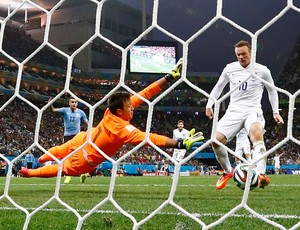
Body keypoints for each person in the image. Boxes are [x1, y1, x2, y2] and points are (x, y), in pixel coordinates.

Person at [20, 58, 204, 179]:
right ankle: (32, 171)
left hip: (84, 138)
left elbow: (145, 94)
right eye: (129, 106)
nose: (132, 107)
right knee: (62, 168)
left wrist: (168, 78)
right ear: (119, 111)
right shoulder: (122, 130)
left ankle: (40, 160)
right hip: (86, 157)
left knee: (60, 150)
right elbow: (150, 139)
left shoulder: (111, 111)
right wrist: (178, 143)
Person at [205, 40, 284, 190]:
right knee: (215, 141)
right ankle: (228, 172)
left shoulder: (262, 70)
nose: (241, 57)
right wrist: (209, 104)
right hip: (233, 111)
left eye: (244, 54)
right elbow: (219, 86)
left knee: (256, 134)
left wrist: (275, 111)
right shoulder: (230, 69)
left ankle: (261, 174)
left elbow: (272, 91)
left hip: (253, 110)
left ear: (251, 53)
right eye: (238, 55)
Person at [49, 96, 89, 183]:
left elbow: (87, 122)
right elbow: (53, 110)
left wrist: (92, 130)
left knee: (80, 154)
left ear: (77, 103)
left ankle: (83, 173)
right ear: (69, 103)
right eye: (72, 102)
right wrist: (50, 104)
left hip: (77, 136)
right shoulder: (65, 110)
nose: (74, 104)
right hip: (67, 136)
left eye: (75, 102)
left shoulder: (81, 113)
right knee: (67, 155)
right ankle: (68, 175)